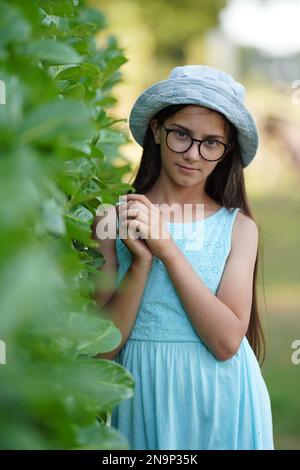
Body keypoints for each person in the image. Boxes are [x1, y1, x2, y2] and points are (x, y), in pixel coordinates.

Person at [93, 65, 274, 450]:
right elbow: (101, 347)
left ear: (226, 153)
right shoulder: (112, 220)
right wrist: (140, 263)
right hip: (144, 394)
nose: (193, 154)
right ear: (157, 130)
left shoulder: (238, 228)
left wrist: (167, 250)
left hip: (222, 399)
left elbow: (226, 342)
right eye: (182, 135)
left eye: (211, 143)